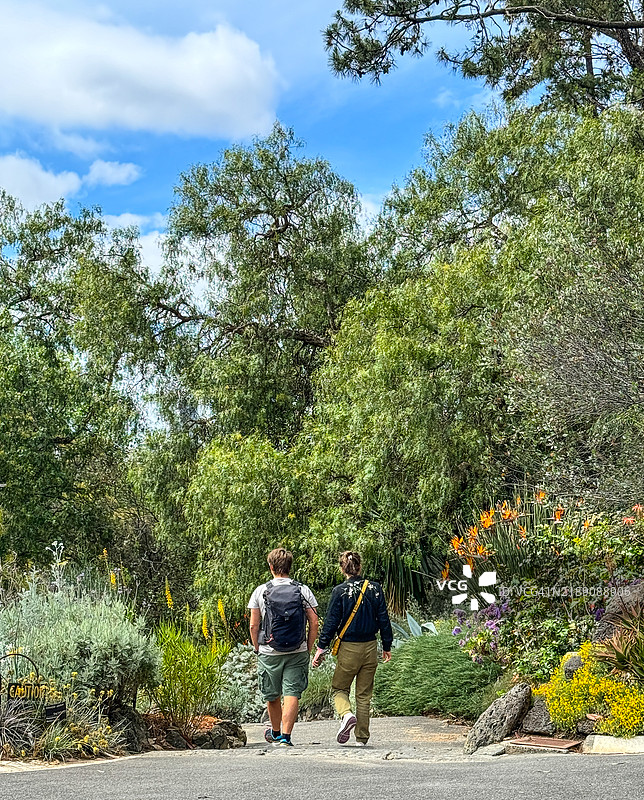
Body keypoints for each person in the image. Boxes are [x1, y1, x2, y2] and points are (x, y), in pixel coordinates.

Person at [312, 551, 393, 746]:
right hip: (370, 647)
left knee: (339, 688)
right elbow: (384, 618)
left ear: (343, 569)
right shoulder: (375, 588)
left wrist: (321, 647)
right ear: (360, 566)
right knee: (364, 695)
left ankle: (346, 714)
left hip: (348, 648)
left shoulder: (339, 591)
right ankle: (361, 739)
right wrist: (387, 645)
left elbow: (331, 622)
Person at [248, 547, 319, 747]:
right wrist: (308, 647)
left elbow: (253, 625)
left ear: (271, 567)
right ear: (290, 567)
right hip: (297, 650)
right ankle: (286, 738)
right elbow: (314, 622)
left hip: (269, 651)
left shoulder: (260, 591)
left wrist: (257, 647)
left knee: (272, 695)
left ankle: (276, 732)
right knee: (292, 693)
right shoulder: (303, 590)